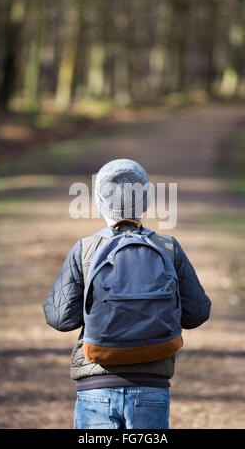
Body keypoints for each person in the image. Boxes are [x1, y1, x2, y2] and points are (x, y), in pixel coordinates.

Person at [43, 159, 211, 429]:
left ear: (99, 202)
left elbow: (60, 319)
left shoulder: (85, 249)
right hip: (151, 385)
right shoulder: (168, 247)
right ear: (145, 202)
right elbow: (198, 313)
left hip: (95, 386)